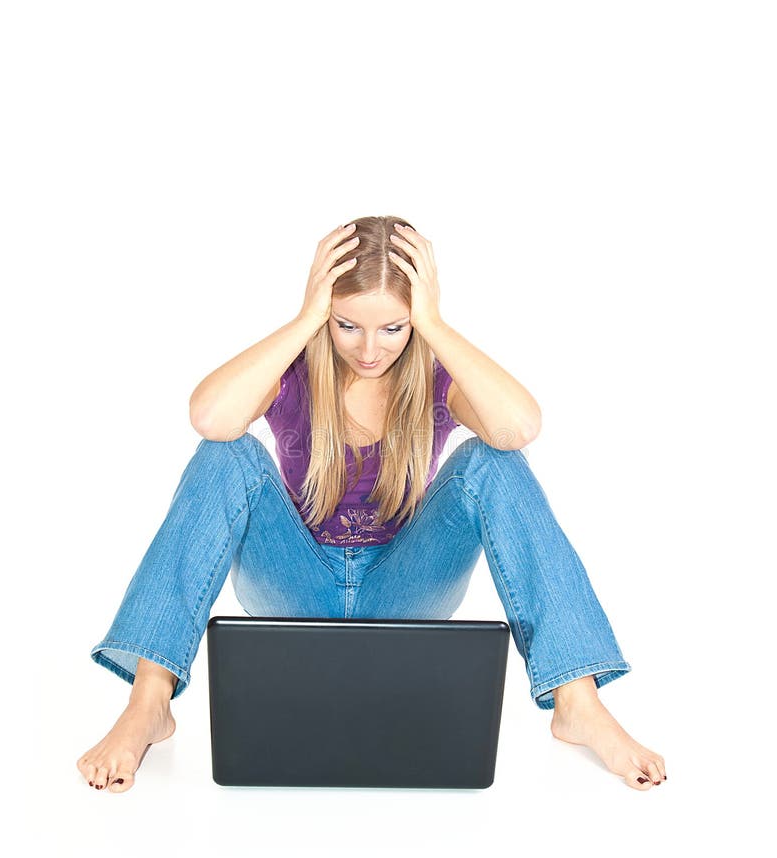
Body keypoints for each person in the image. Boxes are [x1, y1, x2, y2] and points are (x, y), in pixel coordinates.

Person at [77, 216, 667, 794]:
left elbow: (518, 427)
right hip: (295, 581)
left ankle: (577, 701)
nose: (368, 348)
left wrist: (432, 323)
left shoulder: (437, 380)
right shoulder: (292, 372)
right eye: (346, 324)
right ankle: (148, 700)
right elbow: (208, 416)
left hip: (403, 586)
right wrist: (306, 316)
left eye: (393, 328)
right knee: (223, 454)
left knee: (496, 462)